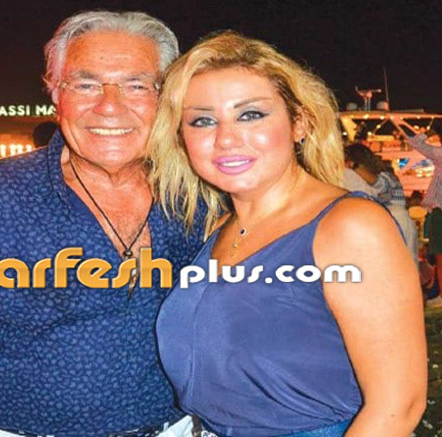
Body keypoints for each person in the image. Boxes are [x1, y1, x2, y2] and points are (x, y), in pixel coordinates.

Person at [0, 11, 205, 437]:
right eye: (85, 85)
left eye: (137, 85)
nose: (110, 105)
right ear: (55, 93)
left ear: (167, 97)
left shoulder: (201, 194)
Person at [150, 32, 426, 436]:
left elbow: (398, 406)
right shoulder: (219, 229)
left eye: (250, 115)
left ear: (300, 122)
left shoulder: (349, 228)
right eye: (203, 120)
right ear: (181, 137)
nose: (226, 138)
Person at [345, 143, 418, 263]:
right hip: (388, 223)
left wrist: (354, 166)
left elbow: (380, 185)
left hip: (395, 223)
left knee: (400, 262)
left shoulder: (386, 177)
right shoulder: (361, 180)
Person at [405, 126, 442, 307]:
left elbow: (413, 142)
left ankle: (441, 294)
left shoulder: (439, 154)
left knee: (440, 255)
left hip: (440, 210)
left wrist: (430, 132)